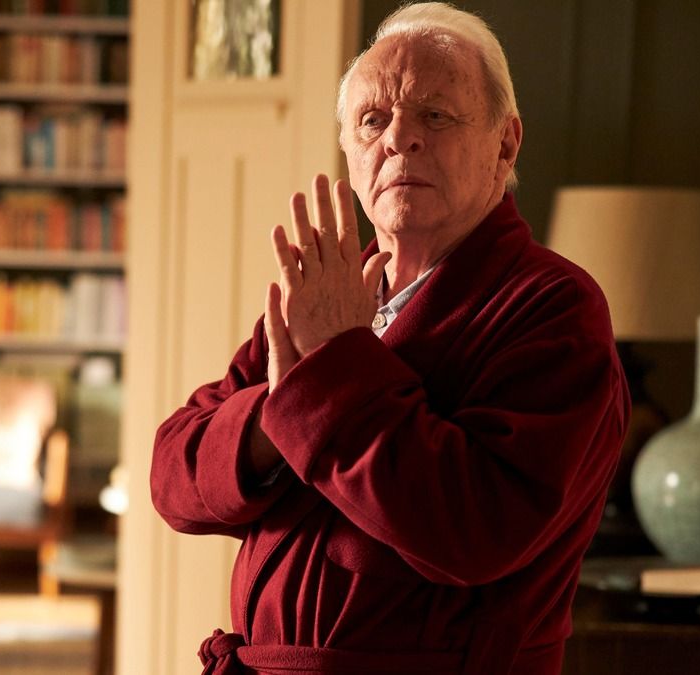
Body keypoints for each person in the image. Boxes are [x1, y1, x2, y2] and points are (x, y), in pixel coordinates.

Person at [150, 3, 630, 674]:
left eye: (435, 115)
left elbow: (473, 529)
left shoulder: (554, 307)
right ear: (349, 150)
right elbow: (174, 478)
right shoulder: (325, 293)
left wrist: (325, 373)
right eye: (372, 120)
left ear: (505, 143)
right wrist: (281, 406)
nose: (400, 139)